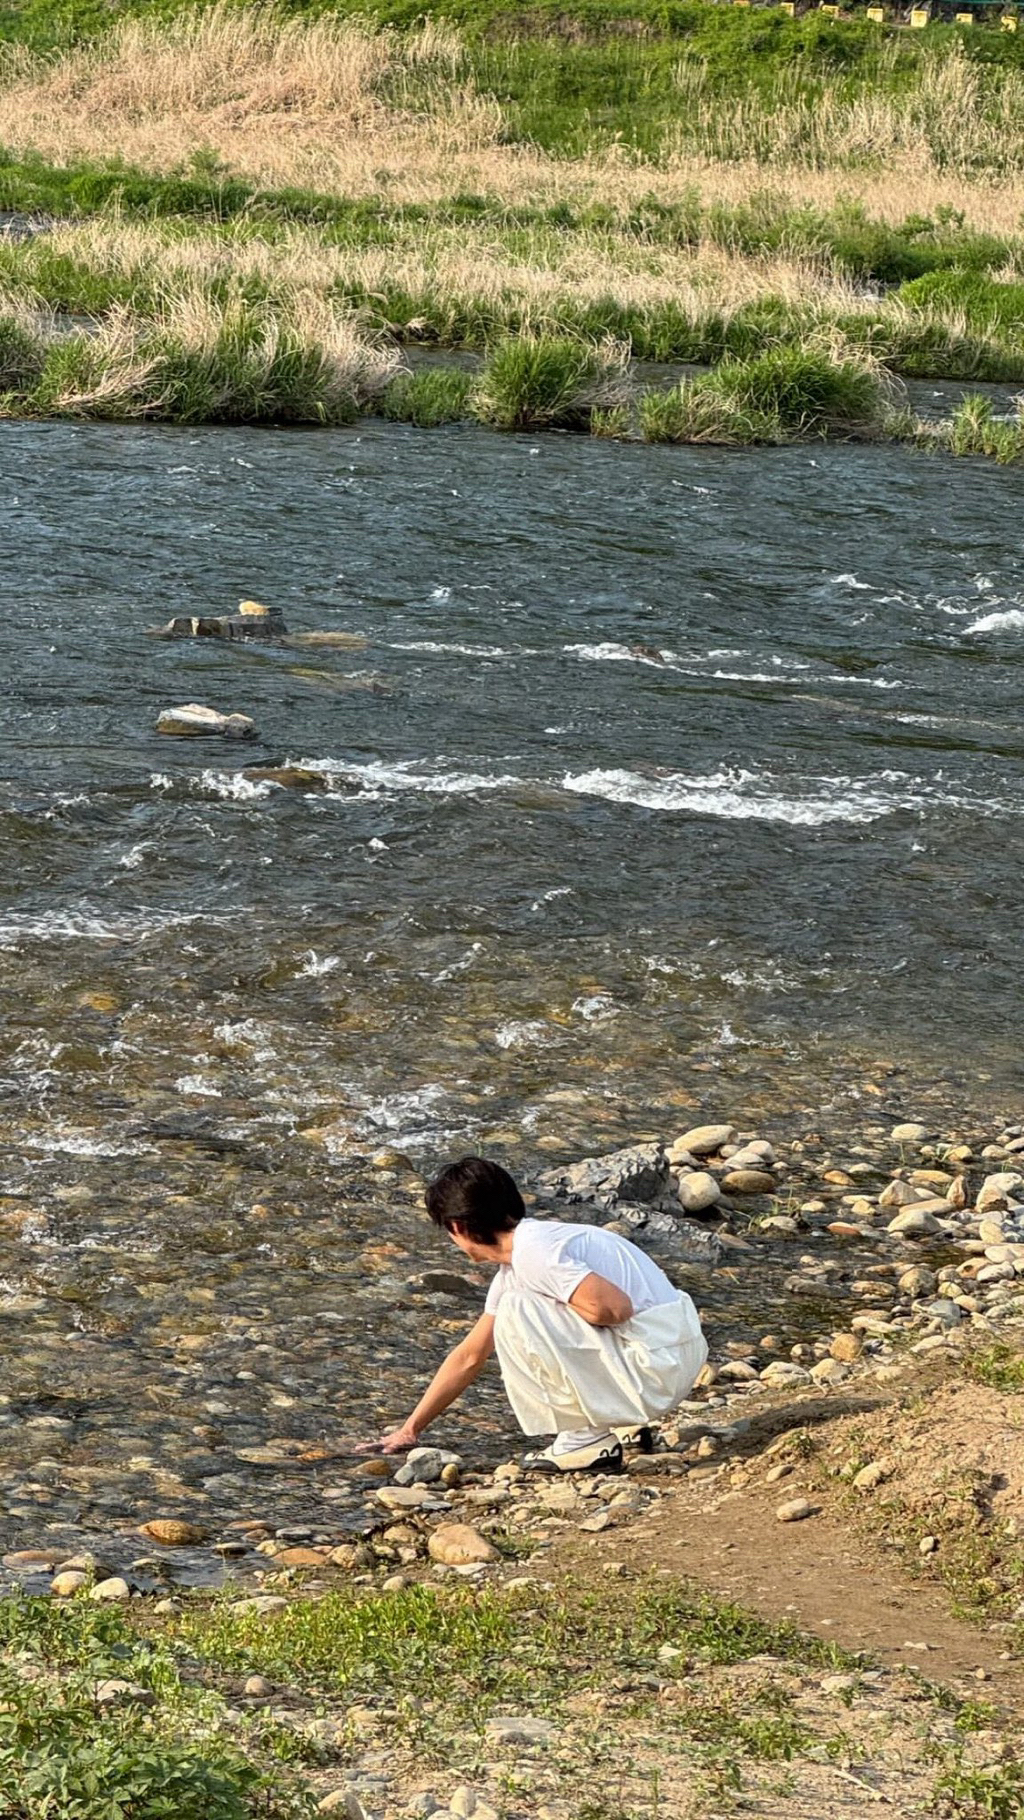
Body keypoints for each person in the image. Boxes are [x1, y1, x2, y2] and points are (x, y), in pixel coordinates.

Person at [361, 1155, 708, 1475]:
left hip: (659, 1372)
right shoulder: (536, 1248)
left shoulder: (534, 1254)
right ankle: (619, 1421)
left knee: (517, 1308)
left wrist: (551, 1301)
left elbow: (614, 1309)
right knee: (519, 1303)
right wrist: (411, 1429)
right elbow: (470, 1356)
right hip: (671, 1357)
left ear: (457, 1227)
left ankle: (584, 1441)